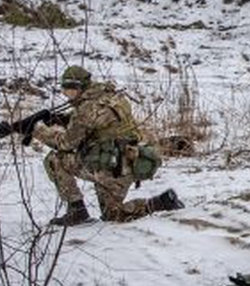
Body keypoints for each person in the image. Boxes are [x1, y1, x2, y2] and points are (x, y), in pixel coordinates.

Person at [35, 64, 181, 227]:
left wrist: (35, 130)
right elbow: (99, 121)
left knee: (55, 159)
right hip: (129, 163)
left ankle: (76, 211)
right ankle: (161, 203)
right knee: (113, 215)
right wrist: (63, 118)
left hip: (108, 167)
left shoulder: (86, 109)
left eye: (70, 90)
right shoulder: (113, 96)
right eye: (64, 90)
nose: (67, 94)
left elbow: (65, 143)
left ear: (81, 87)